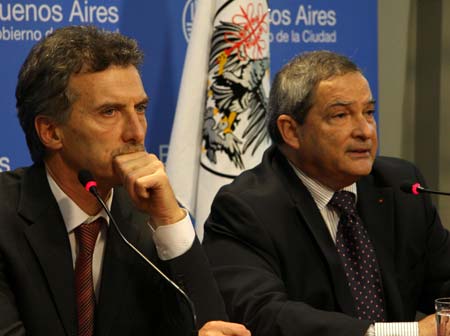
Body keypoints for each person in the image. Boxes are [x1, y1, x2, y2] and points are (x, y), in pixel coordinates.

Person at [0, 25, 250, 336]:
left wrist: (171, 220)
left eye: (140, 108)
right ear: (51, 132)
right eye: (109, 112)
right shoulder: (6, 218)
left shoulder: (150, 220)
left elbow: (214, 328)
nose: (136, 132)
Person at [203, 50, 450, 336]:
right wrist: (406, 333)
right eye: (341, 115)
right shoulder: (245, 209)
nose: (365, 130)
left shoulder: (401, 186)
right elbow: (263, 316)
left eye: (369, 112)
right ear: (291, 131)